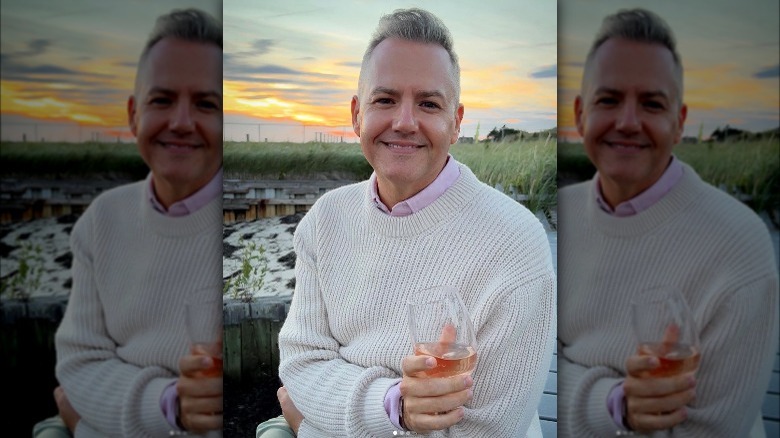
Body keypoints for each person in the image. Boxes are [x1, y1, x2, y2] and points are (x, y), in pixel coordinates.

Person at [256, 7, 556, 438]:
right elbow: (302, 362)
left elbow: (485, 431)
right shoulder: (325, 220)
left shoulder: (515, 243)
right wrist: (393, 404)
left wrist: (306, 425)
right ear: (357, 114)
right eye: (385, 99)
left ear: (455, 122)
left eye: (429, 104)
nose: (404, 122)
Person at [557, 8, 779, 437]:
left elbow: (709, 430)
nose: (626, 121)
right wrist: (615, 403)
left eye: (652, 103)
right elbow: (533, 372)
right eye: (609, 99)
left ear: (679, 123)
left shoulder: (740, 245)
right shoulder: (563, 214)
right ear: (581, 114)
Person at [51, 8, 224, 437]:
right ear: (132, 115)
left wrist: (81, 424)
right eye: (162, 100)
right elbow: (79, 364)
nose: (181, 123)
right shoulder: (101, 221)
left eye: (206, 103)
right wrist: (169, 405)